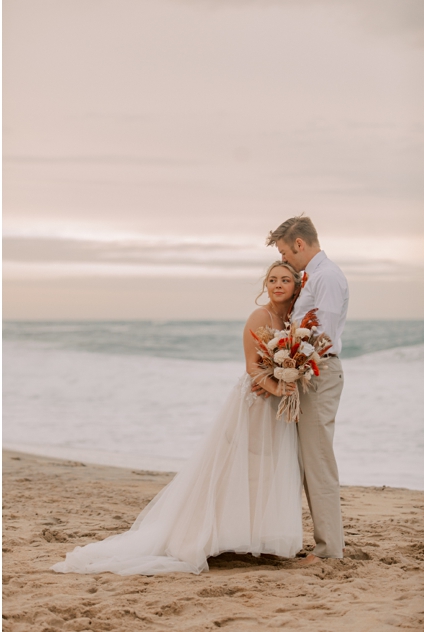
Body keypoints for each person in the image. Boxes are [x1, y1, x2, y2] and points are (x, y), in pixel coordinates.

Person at [52, 262, 303, 576]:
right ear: (265, 285)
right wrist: (276, 387)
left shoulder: (293, 320)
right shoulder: (259, 317)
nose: (277, 285)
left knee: (264, 471)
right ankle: (205, 535)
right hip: (255, 403)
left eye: (284, 280)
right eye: (272, 280)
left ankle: (256, 537)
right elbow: (252, 367)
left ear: (295, 285)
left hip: (276, 405)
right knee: (235, 468)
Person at [266, 215, 348, 565]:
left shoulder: (327, 277)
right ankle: (326, 545)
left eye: (286, 252)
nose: (286, 260)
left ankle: (329, 551)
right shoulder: (314, 276)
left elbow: (322, 334)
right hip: (307, 372)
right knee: (308, 460)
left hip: (318, 372)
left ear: (300, 244)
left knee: (317, 461)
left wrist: (294, 366)